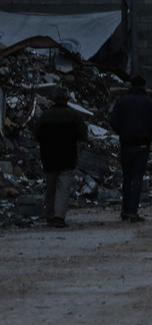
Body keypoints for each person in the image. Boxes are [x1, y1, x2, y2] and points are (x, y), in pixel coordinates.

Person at [108, 75, 152, 223]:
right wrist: (147, 134)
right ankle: (133, 211)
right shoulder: (150, 103)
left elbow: (113, 121)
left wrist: (123, 132)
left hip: (126, 144)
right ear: (143, 86)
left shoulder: (122, 102)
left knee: (127, 178)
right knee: (137, 178)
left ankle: (125, 211)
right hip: (142, 145)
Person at [34, 87, 87, 228]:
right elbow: (83, 135)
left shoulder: (45, 116)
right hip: (68, 156)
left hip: (48, 156)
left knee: (50, 187)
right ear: (67, 99)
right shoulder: (74, 116)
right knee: (63, 187)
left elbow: (37, 135)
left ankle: (49, 215)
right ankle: (59, 217)